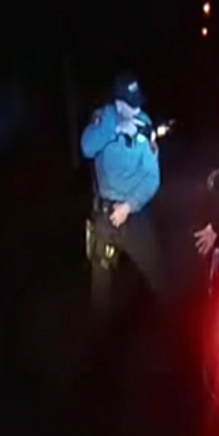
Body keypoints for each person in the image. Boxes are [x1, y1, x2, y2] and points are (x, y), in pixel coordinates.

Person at [81, 71, 162, 324]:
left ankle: (170, 326)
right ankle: (100, 334)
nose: (137, 109)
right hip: (105, 217)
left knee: (159, 275)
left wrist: (129, 206)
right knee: (100, 288)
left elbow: (152, 178)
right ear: (118, 103)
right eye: (131, 104)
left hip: (134, 214)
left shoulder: (144, 125)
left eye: (138, 103)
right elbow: (86, 147)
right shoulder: (104, 119)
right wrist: (115, 130)